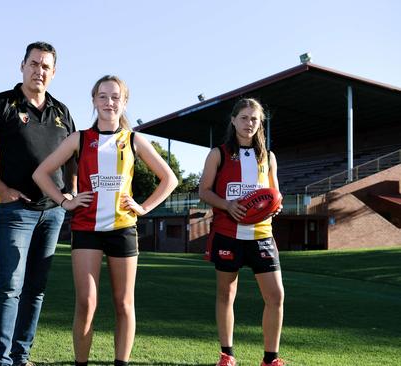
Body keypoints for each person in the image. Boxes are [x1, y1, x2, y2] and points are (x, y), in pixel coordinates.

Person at [33, 75, 177, 366]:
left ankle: (120, 363)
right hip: (86, 228)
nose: (109, 102)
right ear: (94, 100)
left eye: (115, 97)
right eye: (103, 96)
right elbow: (41, 173)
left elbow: (169, 179)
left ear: (124, 102)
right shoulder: (80, 138)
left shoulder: (134, 139)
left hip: (123, 229)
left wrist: (144, 207)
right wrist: (66, 201)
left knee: (124, 304)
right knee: (86, 303)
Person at [0, 41, 76, 366]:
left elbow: (74, 158)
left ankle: (21, 356)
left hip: (52, 215)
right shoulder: (1, 105)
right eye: (34, 64)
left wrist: (71, 192)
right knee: (10, 285)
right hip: (14, 212)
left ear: (54, 73)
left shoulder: (62, 112)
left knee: (36, 289)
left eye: (45, 66)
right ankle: (1, 360)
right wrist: (1, 187)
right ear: (22, 66)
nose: (39, 71)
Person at [198, 98, 286, 366]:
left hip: (262, 235)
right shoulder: (218, 154)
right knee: (226, 294)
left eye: (255, 119)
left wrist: (275, 207)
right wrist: (226, 205)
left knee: (276, 296)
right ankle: (227, 355)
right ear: (234, 120)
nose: (249, 123)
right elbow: (204, 191)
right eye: (244, 118)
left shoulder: (268, 157)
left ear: (261, 124)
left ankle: (270, 359)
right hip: (228, 235)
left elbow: (275, 194)